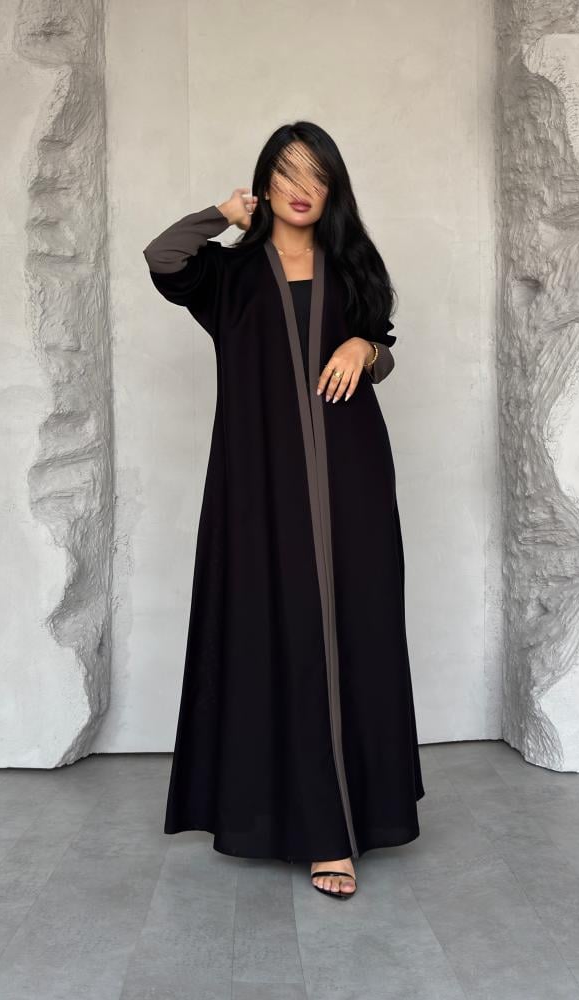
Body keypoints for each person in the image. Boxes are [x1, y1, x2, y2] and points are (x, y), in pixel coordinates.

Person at [143, 121, 425, 900]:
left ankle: (345, 826)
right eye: (288, 172)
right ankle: (306, 825)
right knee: (284, 635)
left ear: (332, 190)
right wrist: (218, 215)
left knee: (356, 632)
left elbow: (381, 344)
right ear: (264, 181)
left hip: (353, 478)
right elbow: (162, 258)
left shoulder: (351, 264)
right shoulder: (229, 275)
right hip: (259, 484)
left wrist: (364, 349)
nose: (303, 188)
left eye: (317, 175)